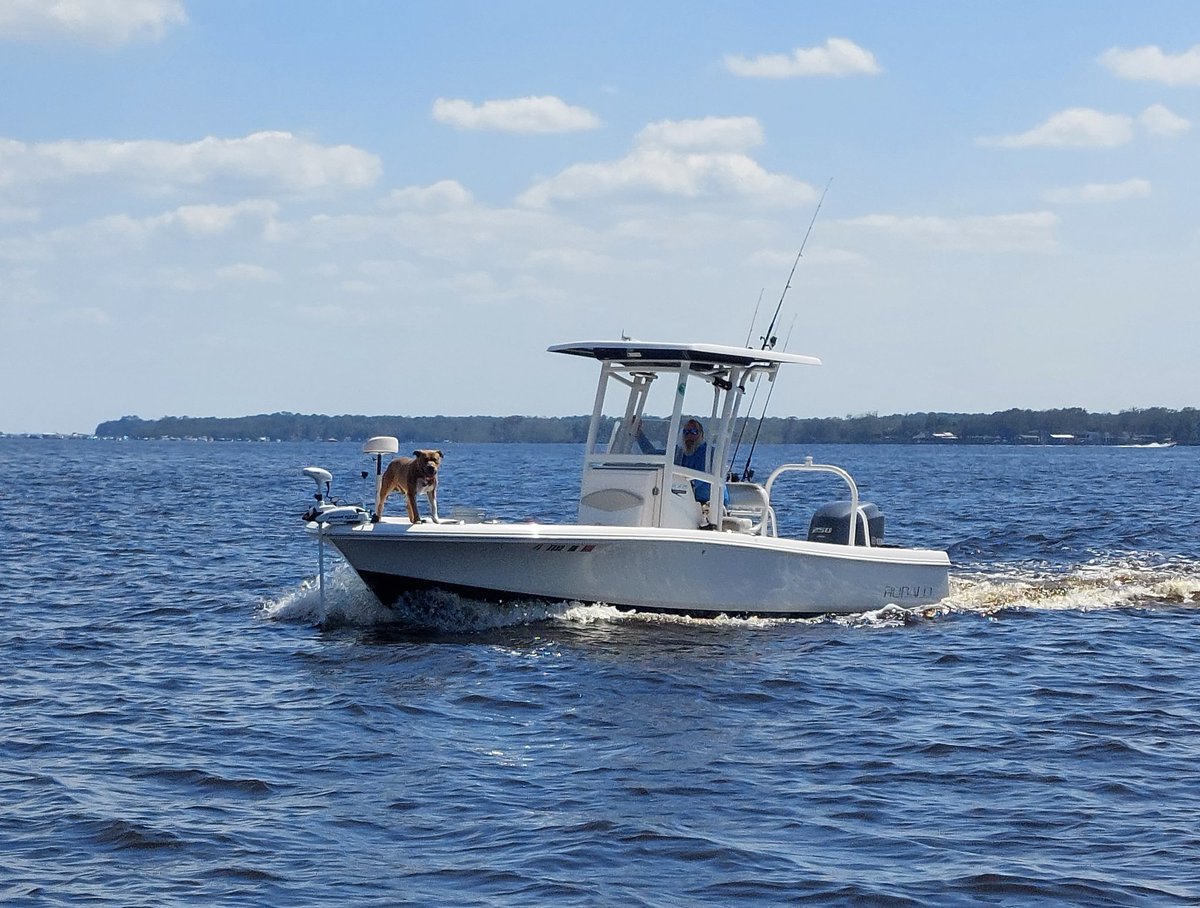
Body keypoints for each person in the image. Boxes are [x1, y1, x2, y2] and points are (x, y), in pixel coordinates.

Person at [635, 417, 713, 504]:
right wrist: (638, 433)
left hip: (706, 502)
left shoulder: (709, 453)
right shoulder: (678, 453)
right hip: (683, 500)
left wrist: (683, 486)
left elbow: (701, 478)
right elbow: (652, 453)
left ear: (701, 435)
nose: (689, 436)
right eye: (686, 432)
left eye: (694, 432)